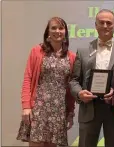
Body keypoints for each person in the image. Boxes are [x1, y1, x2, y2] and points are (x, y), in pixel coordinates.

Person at [69, 9, 114, 147]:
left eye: (109, 23)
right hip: (89, 108)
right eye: (101, 22)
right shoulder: (83, 50)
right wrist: (79, 93)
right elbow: (74, 80)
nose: (105, 26)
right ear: (95, 25)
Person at [16, 17, 76, 147]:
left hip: (58, 110)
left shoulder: (71, 57)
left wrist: (70, 112)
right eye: (53, 28)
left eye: (61, 28)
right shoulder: (37, 51)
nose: (57, 31)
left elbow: (70, 88)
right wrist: (26, 106)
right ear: (48, 32)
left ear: (65, 32)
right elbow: (28, 78)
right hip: (38, 108)